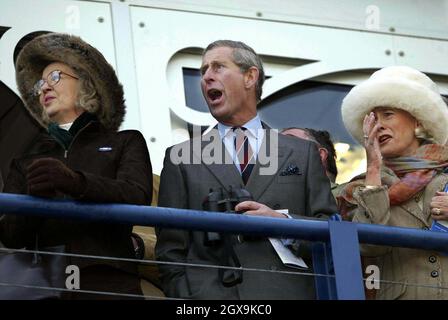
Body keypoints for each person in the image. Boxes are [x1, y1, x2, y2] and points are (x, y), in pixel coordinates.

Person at [155, 40, 336, 299]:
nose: (206, 76)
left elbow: (329, 230)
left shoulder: (301, 152)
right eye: (203, 70)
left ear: (250, 77)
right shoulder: (181, 157)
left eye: (218, 67)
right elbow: (170, 249)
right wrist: (186, 296)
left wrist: (283, 224)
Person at [0, 33, 153, 299]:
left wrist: (76, 182)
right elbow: (11, 236)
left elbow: (137, 195)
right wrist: (35, 202)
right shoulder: (25, 161)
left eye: (55, 77)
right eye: (39, 84)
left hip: (107, 283)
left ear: (86, 85)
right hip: (45, 285)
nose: (44, 88)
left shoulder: (125, 141)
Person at [338, 65, 448, 299]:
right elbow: (370, 246)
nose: (379, 126)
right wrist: (373, 168)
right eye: (373, 119)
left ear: (417, 121)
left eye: (388, 114)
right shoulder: (360, 188)